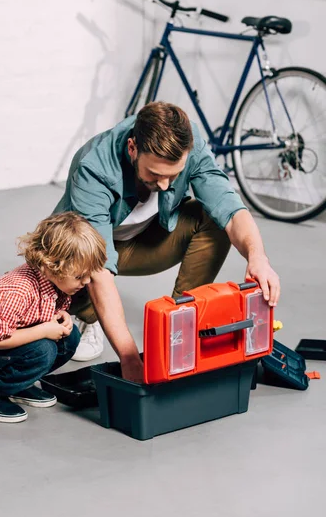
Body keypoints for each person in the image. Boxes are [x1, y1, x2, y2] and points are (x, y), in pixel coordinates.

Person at [54, 102, 280, 383]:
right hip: (85, 253)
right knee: (68, 293)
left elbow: (230, 209)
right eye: (155, 175)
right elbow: (98, 268)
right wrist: (129, 358)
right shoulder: (94, 166)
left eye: (172, 176)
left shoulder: (189, 143)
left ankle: (182, 326)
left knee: (215, 220)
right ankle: (88, 316)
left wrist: (258, 257)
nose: (164, 185)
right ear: (133, 148)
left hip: (147, 241)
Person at [0, 212, 107, 423]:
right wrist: (44, 331)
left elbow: (39, 312)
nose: (86, 281)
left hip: (11, 335)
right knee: (44, 350)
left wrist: (60, 318)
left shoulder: (55, 282)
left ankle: (19, 384)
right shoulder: (18, 291)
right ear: (50, 266)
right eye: (79, 276)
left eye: (89, 274)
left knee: (70, 338)